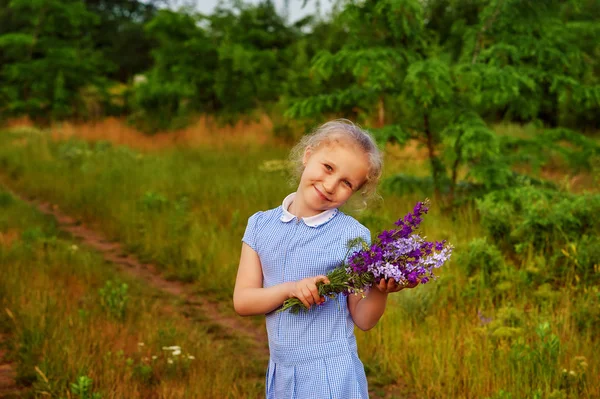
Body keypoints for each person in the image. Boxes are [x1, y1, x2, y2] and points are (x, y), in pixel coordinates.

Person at [233, 119, 417, 399]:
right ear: (308, 155)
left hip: (331, 373)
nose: (330, 185)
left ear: (355, 192)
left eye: (346, 183)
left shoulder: (351, 236)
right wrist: (290, 289)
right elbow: (243, 301)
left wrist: (380, 291)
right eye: (328, 167)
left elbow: (364, 319)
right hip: (281, 372)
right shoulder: (260, 225)